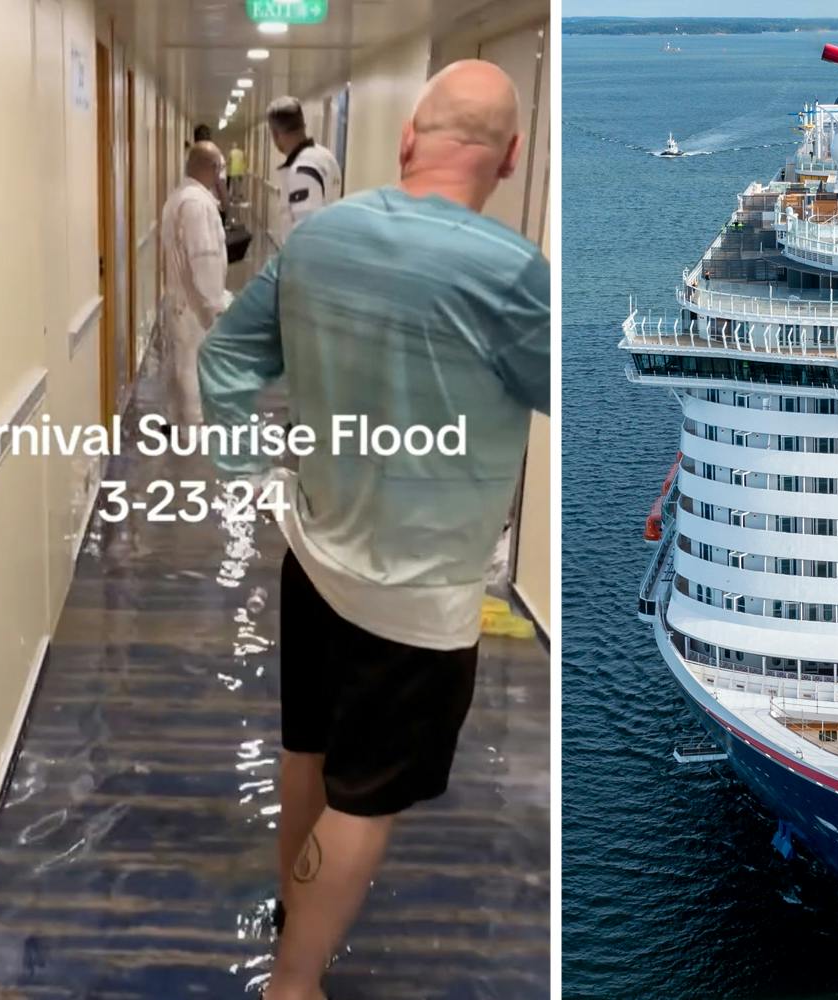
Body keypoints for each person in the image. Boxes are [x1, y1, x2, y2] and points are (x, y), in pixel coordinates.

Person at [198, 60, 547, 1000]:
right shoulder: (514, 277)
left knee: (305, 753)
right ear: (511, 160)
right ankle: (294, 983)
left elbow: (227, 356)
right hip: (416, 603)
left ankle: (291, 912)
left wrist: (245, 478)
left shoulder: (320, 242)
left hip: (312, 556)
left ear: (404, 143)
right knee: (364, 802)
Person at [159, 141, 232, 425]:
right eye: (220, 169)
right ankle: (192, 432)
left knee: (181, 365)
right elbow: (203, 259)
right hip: (194, 306)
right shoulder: (197, 204)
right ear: (212, 168)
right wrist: (213, 307)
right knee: (192, 370)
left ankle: (177, 423)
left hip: (181, 299)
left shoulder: (180, 196)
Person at [266, 96, 343, 247]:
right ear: (303, 125)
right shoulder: (326, 156)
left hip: (308, 264)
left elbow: (305, 234)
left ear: (275, 134)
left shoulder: (302, 171)